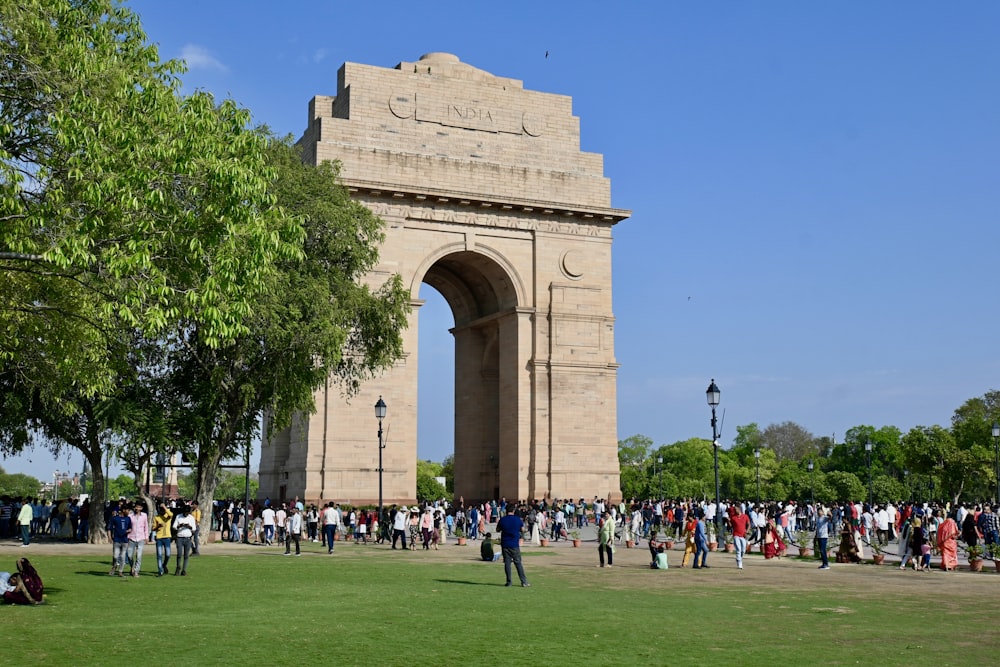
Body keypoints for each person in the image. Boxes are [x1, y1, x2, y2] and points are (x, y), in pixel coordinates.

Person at [496, 505, 529, 587]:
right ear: (513, 511)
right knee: (518, 563)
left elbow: (497, 530)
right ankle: (523, 581)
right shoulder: (517, 520)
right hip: (514, 544)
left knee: (507, 563)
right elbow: (522, 530)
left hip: (505, 544)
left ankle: (509, 581)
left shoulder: (502, 520)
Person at [172, 505, 197, 576]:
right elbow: (174, 527)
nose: (186, 514)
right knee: (179, 554)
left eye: (187, 512)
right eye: (185, 512)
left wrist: (189, 527)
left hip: (188, 538)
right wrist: (179, 526)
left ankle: (184, 570)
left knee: (186, 555)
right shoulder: (178, 516)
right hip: (180, 537)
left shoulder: (191, 518)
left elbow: (194, 529)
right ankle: (178, 567)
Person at [126, 503, 149, 577]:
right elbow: (128, 525)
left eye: (139, 507)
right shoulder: (130, 516)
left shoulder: (144, 515)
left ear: (141, 508)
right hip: (131, 537)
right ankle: (132, 567)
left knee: (139, 556)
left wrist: (146, 537)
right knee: (129, 555)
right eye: (136, 507)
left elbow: (146, 526)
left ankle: (136, 571)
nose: (137, 508)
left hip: (141, 537)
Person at [152, 503, 173, 577]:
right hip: (159, 538)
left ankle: (164, 565)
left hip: (167, 537)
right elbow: (153, 528)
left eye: (163, 510)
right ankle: (160, 570)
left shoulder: (168, 516)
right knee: (159, 555)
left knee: (168, 554)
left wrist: (164, 507)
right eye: (161, 510)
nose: (162, 512)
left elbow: (171, 514)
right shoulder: (156, 517)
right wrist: (158, 526)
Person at [729, 504, 750, 570]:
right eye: (734, 510)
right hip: (736, 534)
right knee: (738, 548)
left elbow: (748, 524)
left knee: (743, 549)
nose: (735, 510)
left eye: (736, 509)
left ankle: (739, 558)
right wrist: (728, 520)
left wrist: (747, 531)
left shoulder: (745, 516)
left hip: (743, 535)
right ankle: (739, 563)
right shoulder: (733, 517)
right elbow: (730, 526)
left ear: (740, 509)